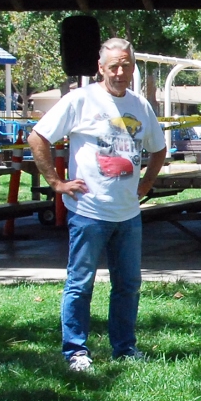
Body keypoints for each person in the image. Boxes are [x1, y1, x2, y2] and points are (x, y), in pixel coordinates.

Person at [30, 38, 168, 371]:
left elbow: (158, 148)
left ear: (133, 67)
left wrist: (147, 181)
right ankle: (76, 351)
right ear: (100, 68)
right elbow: (38, 137)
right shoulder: (80, 100)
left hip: (128, 214)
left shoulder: (140, 105)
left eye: (126, 65)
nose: (120, 73)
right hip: (88, 212)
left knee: (128, 285)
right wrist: (56, 183)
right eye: (114, 66)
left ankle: (124, 347)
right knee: (80, 283)